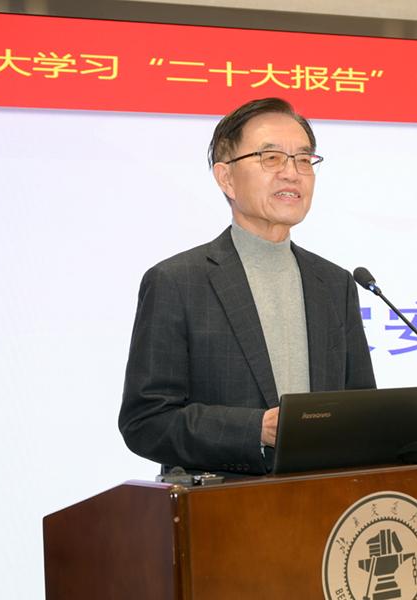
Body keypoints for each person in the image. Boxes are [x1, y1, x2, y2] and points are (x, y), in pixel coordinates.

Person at [119, 98, 376, 475]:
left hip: (326, 500)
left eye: (304, 159)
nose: (292, 173)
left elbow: (362, 410)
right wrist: (254, 429)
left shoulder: (335, 284)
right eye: (271, 158)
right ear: (226, 178)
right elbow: (146, 421)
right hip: (226, 502)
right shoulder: (177, 282)